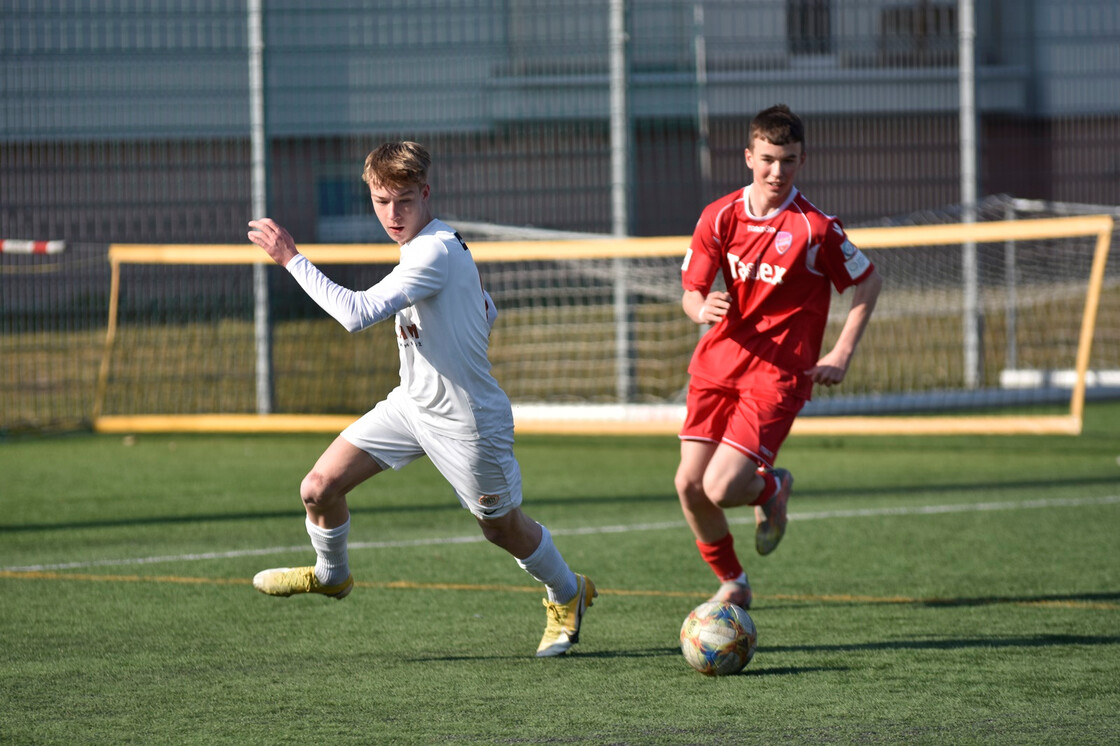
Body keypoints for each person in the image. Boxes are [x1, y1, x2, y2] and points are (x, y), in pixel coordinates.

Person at [246, 141, 595, 657]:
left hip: (467, 423)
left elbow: (355, 312)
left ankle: (568, 593)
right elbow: (486, 307)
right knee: (318, 487)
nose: (393, 213)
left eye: (404, 200)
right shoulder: (432, 247)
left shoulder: (433, 249)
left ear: (425, 193)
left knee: (501, 529)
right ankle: (331, 575)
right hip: (411, 406)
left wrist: (290, 257)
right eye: (381, 200)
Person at [674, 105, 883, 608]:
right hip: (718, 363)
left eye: (788, 160)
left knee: (721, 487)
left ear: (802, 160)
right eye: (767, 159)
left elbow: (869, 280)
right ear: (748, 157)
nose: (777, 171)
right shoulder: (719, 216)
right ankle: (733, 582)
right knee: (689, 484)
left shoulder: (814, 229)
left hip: (777, 375)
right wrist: (701, 306)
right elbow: (690, 291)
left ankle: (768, 490)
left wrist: (842, 352)